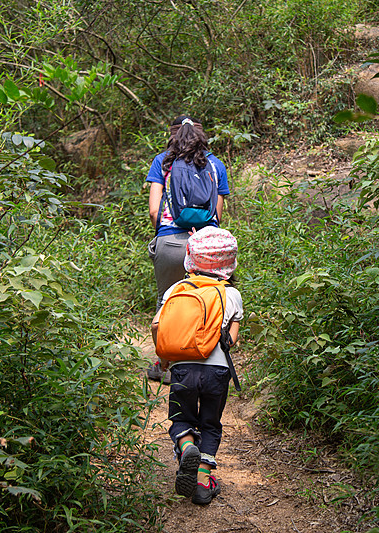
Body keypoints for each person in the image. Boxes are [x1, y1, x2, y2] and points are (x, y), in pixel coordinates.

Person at [151, 227, 243, 505]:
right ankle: (203, 482)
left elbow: (157, 325)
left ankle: (187, 445)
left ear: (190, 259)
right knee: (211, 425)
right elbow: (233, 341)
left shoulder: (176, 289)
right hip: (217, 371)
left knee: (181, 419)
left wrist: (165, 357)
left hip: (182, 369)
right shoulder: (231, 294)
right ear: (229, 262)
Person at [146, 115, 231, 383]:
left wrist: (162, 234)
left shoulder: (163, 162)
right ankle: (203, 360)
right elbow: (217, 213)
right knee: (209, 301)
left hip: (170, 242)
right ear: (202, 136)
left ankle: (165, 365)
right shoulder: (215, 165)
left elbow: (153, 210)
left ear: (172, 135)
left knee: (167, 301)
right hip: (206, 243)